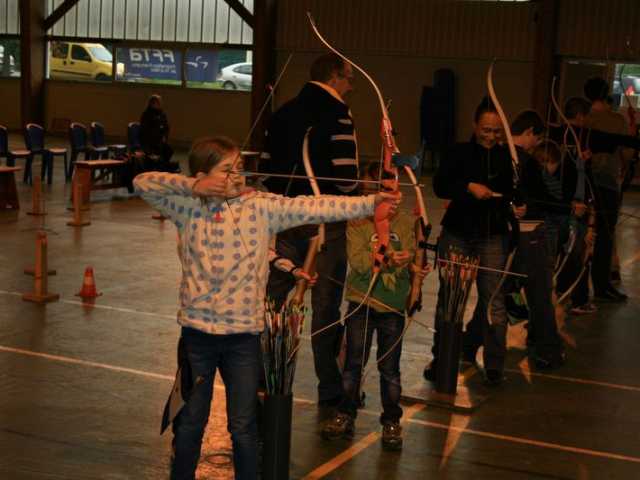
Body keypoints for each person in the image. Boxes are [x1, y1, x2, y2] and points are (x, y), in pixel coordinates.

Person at [133, 136, 400, 480]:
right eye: (227, 170)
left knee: (244, 426)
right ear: (203, 175)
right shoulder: (186, 206)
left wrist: (371, 202)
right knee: (190, 424)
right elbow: (142, 182)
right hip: (198, 337)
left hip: (243, 339)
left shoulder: (260, 206)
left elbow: (316, 206)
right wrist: (193, 186)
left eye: (240, 168)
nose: (237, 176)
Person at [262, 53, 359, 407]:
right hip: (324, 224)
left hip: (287, 219)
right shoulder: (339, 114)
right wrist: (360, 198)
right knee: (325, 310)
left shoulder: (282, 112)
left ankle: (263, 379)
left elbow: (267, 169)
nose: (351, 85)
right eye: (348, 78)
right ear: (334, 76)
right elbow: (346, 179)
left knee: (274, 302)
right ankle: (330, 390)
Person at [321, 163, 431, 451]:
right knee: (353, 364)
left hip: (392, 306)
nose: (387, 197)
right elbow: (359, 263)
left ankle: (391, 420)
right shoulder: (357, 222)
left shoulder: (405, 222)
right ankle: (346, 413)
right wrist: (384, 256)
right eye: (377, 191)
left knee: (390, 369)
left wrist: (413, 268)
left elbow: (412, 254)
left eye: (390, 190)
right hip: (362, 303)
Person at [424, 98, 524, 386]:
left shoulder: (508, 157)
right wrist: (468, 186)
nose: (491, 136)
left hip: (493, 236)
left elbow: (518, 193)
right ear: (474, 126)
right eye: (485, 130)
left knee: (494, 301)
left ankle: (494, 365)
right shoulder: (459, 152)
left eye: (496, 131)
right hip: (458, 233)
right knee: (450, 301)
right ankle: (442, 360)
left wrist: (518, 207)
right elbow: (440, 185)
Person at [583, 77, 632, 302]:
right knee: (605, 235)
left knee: (583, 233)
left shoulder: (584, 117)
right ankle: (602, 286)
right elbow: (626, 153)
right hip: (607, 183)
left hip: (584, 183)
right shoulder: (615, 120)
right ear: (606, 95)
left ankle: (576, 287)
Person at [140, 94, 179, 172]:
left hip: (159, 140)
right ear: (153, 104)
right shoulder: (146, 114)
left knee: (169, 150)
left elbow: (166, 127)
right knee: (160, 151)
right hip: (150, 142)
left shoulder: (161, 114)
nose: (160, 104)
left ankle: (163, 166)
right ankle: (161, 166)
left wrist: (164, 136)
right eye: (158, 103)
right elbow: (146, 131)